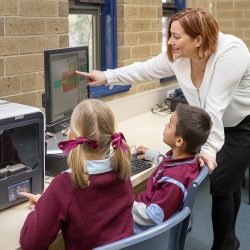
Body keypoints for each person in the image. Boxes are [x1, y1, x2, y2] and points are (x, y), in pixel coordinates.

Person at [76, 8, 250, 250]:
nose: (170, 41)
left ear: (198, 39)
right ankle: (231, 239)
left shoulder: (231, 53)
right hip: (208, 123)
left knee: (221, 181)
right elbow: (144, 69)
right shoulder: (178, 56)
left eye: (176, 36)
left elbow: (215, 107)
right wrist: (106, 77)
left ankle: (225, 244)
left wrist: (208, 151)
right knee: (227, 182)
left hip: (241, 123)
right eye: (170, 34)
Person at [19, 99, 134, 250]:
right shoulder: (122, 173)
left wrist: (40, 207)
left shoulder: (65, 184)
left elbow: (31, 243)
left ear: (70, 137)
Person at [132, 103, 212, 233]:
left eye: (169, 125)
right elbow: (167, 164)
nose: (165, 126)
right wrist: (152, 155)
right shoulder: (188, 161)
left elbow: (153, 216)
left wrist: (125, 203)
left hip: (142, 229)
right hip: (146, 212)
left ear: (179, 141)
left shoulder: (174, 179)